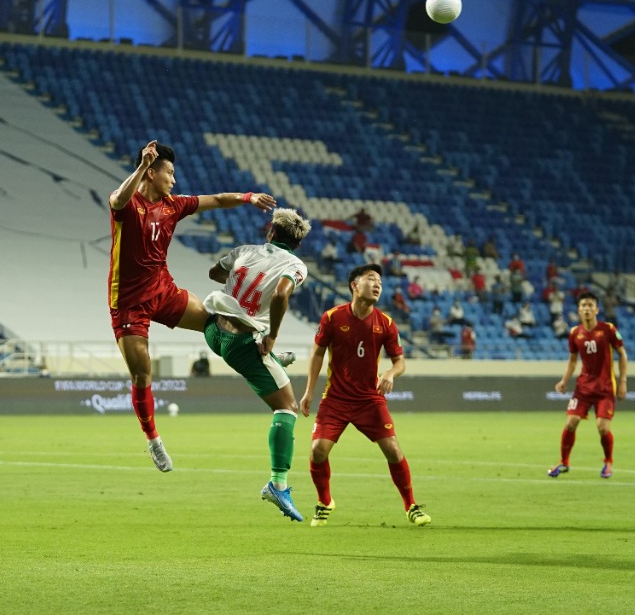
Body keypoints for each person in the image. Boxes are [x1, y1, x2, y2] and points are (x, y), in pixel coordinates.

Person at [108, 141, 280, 472]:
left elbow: (214, 200)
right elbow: (117, 199)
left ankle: (263, 350)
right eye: (169, 173)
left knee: (217, 322)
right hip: (128, 303)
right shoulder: (128, 205)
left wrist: (248, 198)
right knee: (142, 373)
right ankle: (153, 439)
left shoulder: (174, 205)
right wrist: (141, 167)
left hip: (162, 290)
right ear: (152, 172)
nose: (174, 179)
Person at [299, 264, 431, 528]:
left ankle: (411, 506)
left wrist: (392, 373)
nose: (377, 284)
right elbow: (317, 354)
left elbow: (400, 361)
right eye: (371, 279)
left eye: (380, 281)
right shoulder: (332, 317)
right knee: (317, 451)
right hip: (335, 398)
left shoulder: (386, 323)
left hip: (369, 399)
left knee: (393, 450)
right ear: (354, 285)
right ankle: (325, 502)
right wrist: (308, 392)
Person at [202, 209, 312, 522]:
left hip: (213, 332)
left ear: (270, 232)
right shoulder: (295, 265)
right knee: (287, 407)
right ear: (297, 244)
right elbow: (280, 295)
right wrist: (274, 336)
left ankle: (277, 360)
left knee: (267, 359)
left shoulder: (244, 251)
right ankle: (278, 484)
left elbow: (214, 273)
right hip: (243, 343)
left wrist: (239, 277)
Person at [548, 291, 629, 479]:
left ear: (597, 309)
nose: (587, 309)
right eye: (583, 305)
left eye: (590, 305)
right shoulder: (575, 333)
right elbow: (572, 361)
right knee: (570, 423)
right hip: (583, 388)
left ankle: (608, 462)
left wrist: (623, 380)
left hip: (605, 388)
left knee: (603, 427)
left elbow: (622, 354)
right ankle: (564, 462)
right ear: (578, 310)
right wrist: (564, 381)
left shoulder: (608, 329)